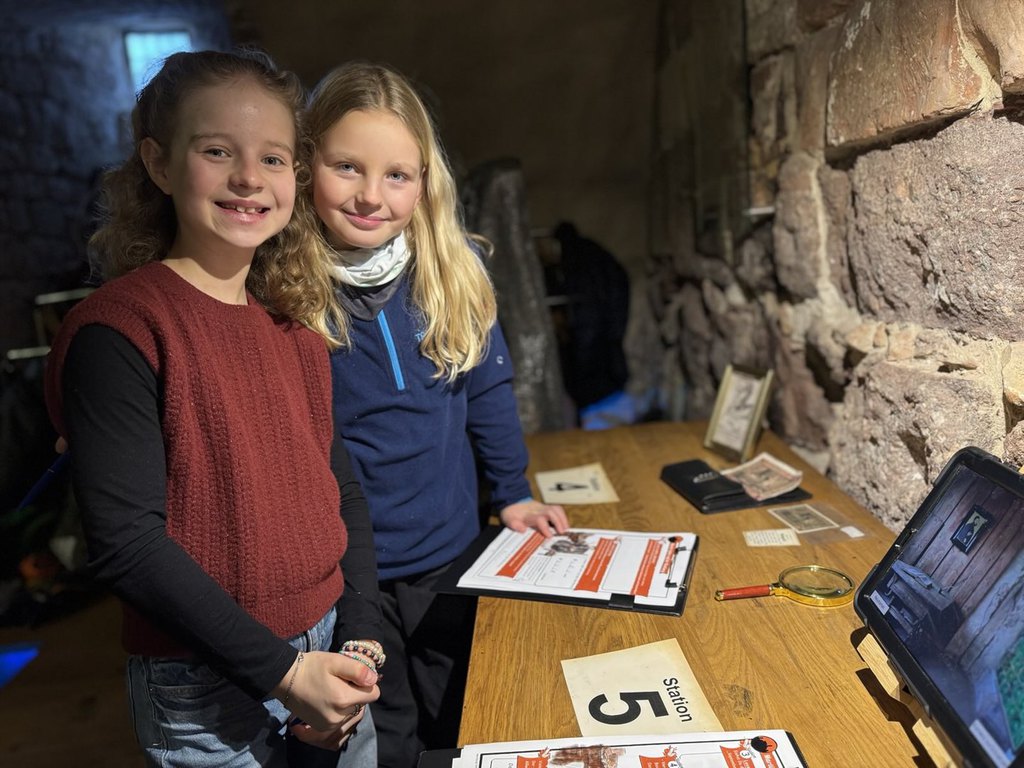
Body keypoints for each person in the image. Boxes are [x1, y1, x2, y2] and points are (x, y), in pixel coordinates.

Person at [43, 49, 384, 768]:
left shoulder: (294, 328)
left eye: (273, 158)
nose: (249, 178)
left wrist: (359, 633)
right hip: (203, 685)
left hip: (332, 652)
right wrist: (285, 674)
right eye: (218, 151)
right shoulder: (121, 331)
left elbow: (341, 490)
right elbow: (127, 545)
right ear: (159, 164)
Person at [302, 61, 571, 768]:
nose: (371, 195)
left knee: (462, 714)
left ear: (426, 181)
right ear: (306, 165)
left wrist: (512, 491)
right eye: (347, 167)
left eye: (397, 174)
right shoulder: (286, 289)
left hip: (450, 555)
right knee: (387, 738)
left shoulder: (453, 272)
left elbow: (488, 393)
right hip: (348, 580)